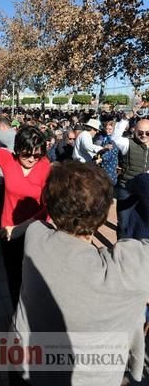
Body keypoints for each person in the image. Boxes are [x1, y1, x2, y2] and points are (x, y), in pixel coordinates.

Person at [9, 161, 149, 386]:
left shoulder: (35, 238)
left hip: (28, 367)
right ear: (104, 216)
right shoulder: (128, 269)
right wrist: (143, 181)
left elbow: (42, 221)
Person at [0, 99, 50, 309]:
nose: (33, 158)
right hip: (8, 232)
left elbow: (49, 207)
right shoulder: (7, 160)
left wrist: (21, 228)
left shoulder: (45, 166)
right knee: (14, 279)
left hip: (36, 231)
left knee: (34, 280)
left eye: (38, 153)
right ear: (17, 150)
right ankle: (17, 317)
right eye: (27, 153)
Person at [112, 113, 149, 238]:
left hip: (145, 190)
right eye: (141, 132)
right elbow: (115, 137)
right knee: (124, 223)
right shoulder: (128, 144)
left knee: (143, 222)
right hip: (126, 189)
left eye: (147, 133)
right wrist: (125, 119)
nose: (144, 135)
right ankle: (121, 249)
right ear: (135, 131)